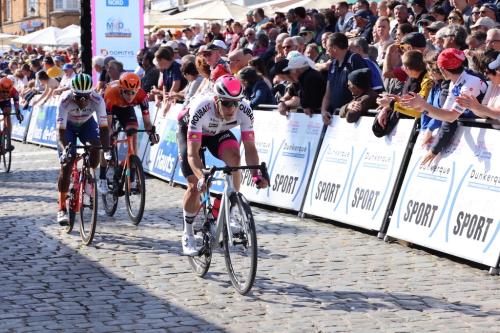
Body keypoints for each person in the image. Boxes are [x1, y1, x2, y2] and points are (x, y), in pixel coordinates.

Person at [177, 75, 268, 255]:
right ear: (216, 100)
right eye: (227, 103)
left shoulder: (245, 110)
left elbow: (250, 148)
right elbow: (192, 153)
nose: (232, 108)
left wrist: (256, 175)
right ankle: (187, 233)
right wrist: (202, 176)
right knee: (195, 185)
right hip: (191, 132)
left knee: (235, 159)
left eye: (236, 103)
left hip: (218, 132)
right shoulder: (202, 108)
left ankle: (229, 205)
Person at [55, 74, 109, 225]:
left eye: (86, 97)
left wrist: (106, 150)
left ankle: (88, 179)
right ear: (72, 93)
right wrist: (65, 150)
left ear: (91, 94)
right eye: (79, 97)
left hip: (87, 124)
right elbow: (60, 133)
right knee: (66, 163)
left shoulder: (97, 100)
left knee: (96, 147)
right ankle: (61, 208)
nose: (83, 101)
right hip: (68, 127)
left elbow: (104, 129)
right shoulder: (64, 100)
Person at [103, 73, 158, 192]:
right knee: (108, 137)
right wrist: (110, 134)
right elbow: (108, 125)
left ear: (137, 90)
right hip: (110, 106)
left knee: (133, 132)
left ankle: (131, 175)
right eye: (126, 92)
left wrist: (152, 134)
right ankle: (103, 175)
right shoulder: (111, 93)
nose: (130, 96)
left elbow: (147, 123)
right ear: (121, 89)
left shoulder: (142, 96)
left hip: (126, 110)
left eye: (133, 92)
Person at [321, 33, 367, 124]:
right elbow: (328, 92)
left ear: (334, 47)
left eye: (327, 47)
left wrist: (351, 105)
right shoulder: (332, 64)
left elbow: (364, 89)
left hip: (351, 116)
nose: (326, 51)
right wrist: (323, 110)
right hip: (334, 117)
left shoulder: (354, 59)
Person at [0, 77, 22, 152]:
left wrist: (17, 112)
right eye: (3, 91)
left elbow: (16, 103)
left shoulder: (14, 91)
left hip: (5, 102)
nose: (5, 93)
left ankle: (8, 141)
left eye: (7, 92)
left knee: (8, 114)